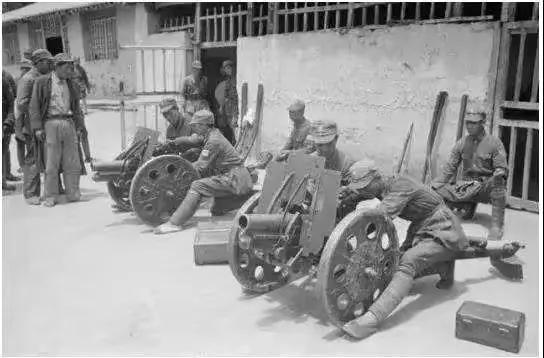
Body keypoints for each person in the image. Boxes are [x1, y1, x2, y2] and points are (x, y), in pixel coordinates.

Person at [339, 161, 469, 339]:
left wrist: (345, 236)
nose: (362, 191)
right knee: (394, 263)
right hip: (422, 226)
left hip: (443, 228)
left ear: (377, 178)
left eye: (364, 187)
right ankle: (442, 266)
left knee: (408, 262)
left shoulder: (400, 186)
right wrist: (347, 196)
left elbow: (378, 219)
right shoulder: (382, 187)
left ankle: (371, 319)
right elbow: (362, 195)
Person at [154, 109, 253, 235]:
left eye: (195, 126)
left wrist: (176, 169)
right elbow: (193, 140)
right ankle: (234, 202)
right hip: (236, 176)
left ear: (203, 126)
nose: (194, 129)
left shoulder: (213, 141)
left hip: (235, 179)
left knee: (197, 185)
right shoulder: (212, 134)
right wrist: (173, 142)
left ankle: (175, 223)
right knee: (217, 209)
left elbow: (199, 167)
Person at [431, 112, 508, 240]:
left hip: (485, 186)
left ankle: (496, 227)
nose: (469, 126)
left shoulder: (494, 142)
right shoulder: (462, 142)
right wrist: (434, 186)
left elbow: (501, 168)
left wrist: (498, 173)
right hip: (467, 186)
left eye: (474, 122)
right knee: (438, 188)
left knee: (499, 183)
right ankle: (467, 206)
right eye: (468, 122)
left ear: (483, 123)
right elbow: (449, 169)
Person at [29, 53, 86, 207]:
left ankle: (73, 193)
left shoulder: (72, 84)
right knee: (51, 162)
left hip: (68, 122)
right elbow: (34, 106)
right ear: (57, 67)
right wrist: (37, 128)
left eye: (71, 68)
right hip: (50, 123)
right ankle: (50, 196)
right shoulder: (42, 82)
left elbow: (76, 107)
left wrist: (79, 127)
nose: (70, 71)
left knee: (72, 162)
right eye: (67, 68)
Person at [16, 49, 54, 205]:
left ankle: (49, 191)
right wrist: (36, 112)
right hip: (31, 125)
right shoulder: (28, 79)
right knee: (33, 158)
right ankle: (30, 193)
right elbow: (22, 103)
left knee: (46, 157)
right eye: (47, 62)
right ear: (39, 63)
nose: (50, 64)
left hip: (44, 124)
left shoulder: (43, 77)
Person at [13, 59, 34, 173]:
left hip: (24, 112)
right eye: (24, 68)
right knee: (21, 141)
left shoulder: (30, 79)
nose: (24, 70)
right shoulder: (19, 80)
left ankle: (28, 164)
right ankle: (23, 165)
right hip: (19, 112)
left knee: (27, 141)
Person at [214, 60, 238, 145]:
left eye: (228, 68)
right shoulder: (228, 80)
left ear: (232, 68)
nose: (227, 71)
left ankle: (235, 144)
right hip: (228, 108)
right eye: (225, 69)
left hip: (234, 108)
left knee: (235, 129)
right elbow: (225, 94)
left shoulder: (237, 78)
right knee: (228, 128)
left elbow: (235, 96)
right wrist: (221, 106)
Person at [2, 70, 17, 190]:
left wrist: (8, 120)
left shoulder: (4, 79)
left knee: (4, 150)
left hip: (3, 122)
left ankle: (4, 180)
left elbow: (12, 101)